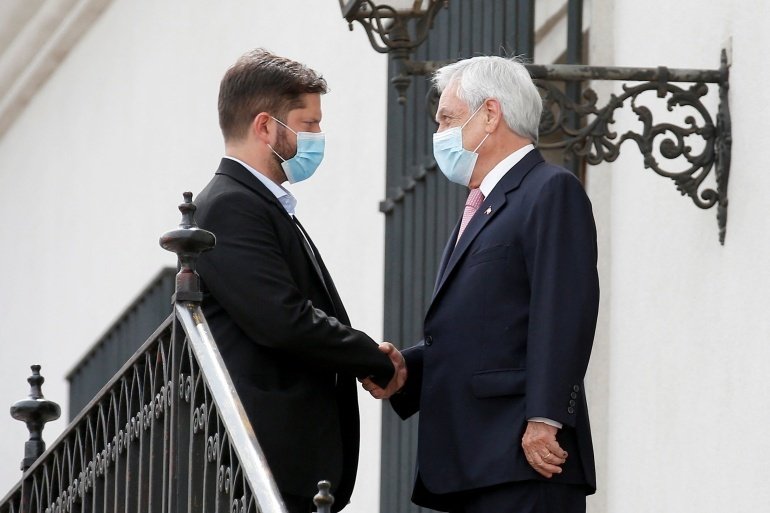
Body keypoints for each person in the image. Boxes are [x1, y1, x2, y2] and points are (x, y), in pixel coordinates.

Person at [362, 55, 600, 513]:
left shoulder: (549, 190)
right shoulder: (481, 206)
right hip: (474, 461)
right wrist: (407, 370)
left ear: (490, 114)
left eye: (447, 119)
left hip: (524, 456)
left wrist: (545, 418)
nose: (439, 135)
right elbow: (486, 327)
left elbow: (565, 310)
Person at [194, 49, 405, 513]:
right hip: (262, 461)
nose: (318, 137)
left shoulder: (258, 204)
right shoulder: (231, 205)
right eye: (309, 124)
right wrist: (373, 358)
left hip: (281, 462)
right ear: (266, 126)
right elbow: (282, 319)